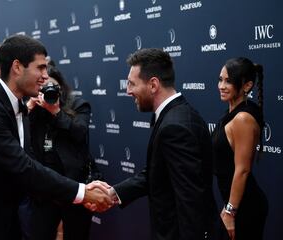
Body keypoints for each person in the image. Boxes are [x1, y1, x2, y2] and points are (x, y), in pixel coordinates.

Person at [0, 34, 112, 240]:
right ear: (17, 67)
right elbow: (22, 166)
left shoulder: (16, 107)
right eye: (40, 68)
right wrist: (81, 193)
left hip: (5, 220)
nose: (46, 76)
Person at [106, 48, 217, 240]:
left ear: (153, 84)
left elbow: (191, 201)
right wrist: (115, 193)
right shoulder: (177, 115)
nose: (128, 90)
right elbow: (158, 173)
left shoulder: (175, 127)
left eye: (132, 84)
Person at [25, 63, 97, 240]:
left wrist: (56, 111)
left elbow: (79, 133)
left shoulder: (79, 105)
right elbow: (21, 138)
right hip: (44, 186)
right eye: (43, 88)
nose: (48, 91)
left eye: (53, 87)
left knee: (77, 234)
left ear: (61, 88)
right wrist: (28, 111)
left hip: (74, 184)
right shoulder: (34, 108)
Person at [212, 57, 268, 240]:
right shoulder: (231, 113)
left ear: (247, 86)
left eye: (228, 81)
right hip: (236, 203)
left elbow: (242, 170)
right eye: (220, 79)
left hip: (245, 208)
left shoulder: (243, 118)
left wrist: (230, 211)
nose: (221, 85)